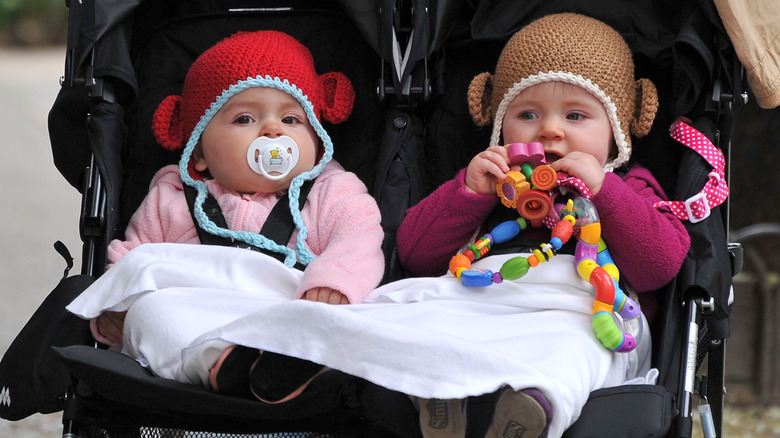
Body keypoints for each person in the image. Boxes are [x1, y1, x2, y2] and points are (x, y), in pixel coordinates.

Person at [395, 13, 690, 437]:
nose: (550, 130)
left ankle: (534, 407)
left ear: (617, 132)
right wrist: (469, 193)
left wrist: (603, 191)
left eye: (575, 116)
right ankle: (441, 393)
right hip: (484, 302)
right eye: (528, 114)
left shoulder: (630, 185)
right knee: (420, 313)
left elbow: (659, 265)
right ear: (499, 127)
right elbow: (416, 253)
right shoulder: (493, 184)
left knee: (573, 348)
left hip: (584, 312)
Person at [68, 30, 384, 403]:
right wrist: (117, 306)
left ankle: (294, 362)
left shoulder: (333, 191)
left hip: (293, 309)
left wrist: (333, 281)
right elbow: (134, 258)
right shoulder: (174, 199)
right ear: (199, 153)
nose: (272, 130)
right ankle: (223, 363)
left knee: (359, 318)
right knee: (150, 314)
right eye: (245, 118)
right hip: (202, 321)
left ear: (316, 143)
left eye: (292, 119)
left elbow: (360, 239)